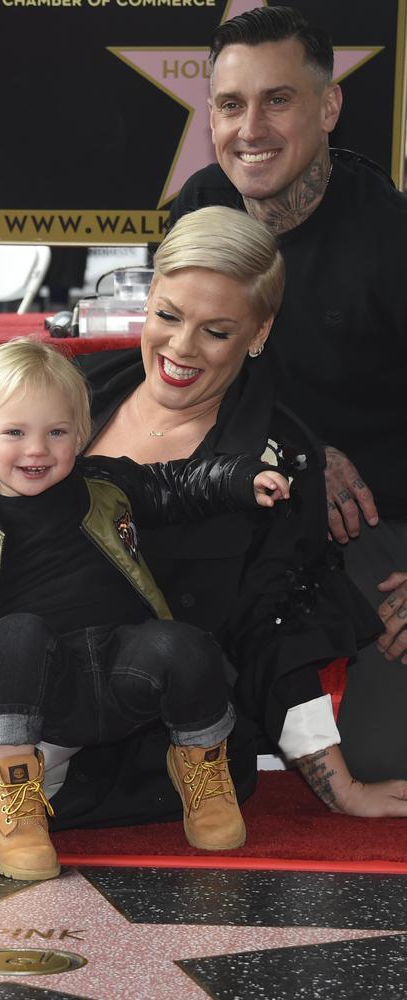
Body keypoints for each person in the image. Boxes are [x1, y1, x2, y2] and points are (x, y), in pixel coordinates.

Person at [0, 336, 290, 881]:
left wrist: (240, 478)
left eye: (56, 432)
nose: (37, 450)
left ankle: (201, 766)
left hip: (121, 672)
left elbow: (175, 484)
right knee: (15, 634)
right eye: (15, 433)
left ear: (80, 433)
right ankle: (14, 794)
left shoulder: (105, 485)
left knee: (183, 643)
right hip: (27, 691)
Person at [49, 204, 407, 828]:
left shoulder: (279, 461)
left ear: (260, 332)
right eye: (167, 315)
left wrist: (339, 785)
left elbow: (274, 628)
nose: (181, 349)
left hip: (133, 736)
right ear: (150, 294)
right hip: (10, 673)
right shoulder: (77, 385)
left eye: (216, 331)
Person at [166, 4, 407, 784]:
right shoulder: (198, 211)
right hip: (246, 507)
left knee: (381, 757)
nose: (251, 127)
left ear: (328, 107)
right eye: (232, 105)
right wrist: (297, 443)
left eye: (278, 99)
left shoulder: (388, 238)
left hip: (374, 519)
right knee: (165, 711)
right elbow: (176, 385)